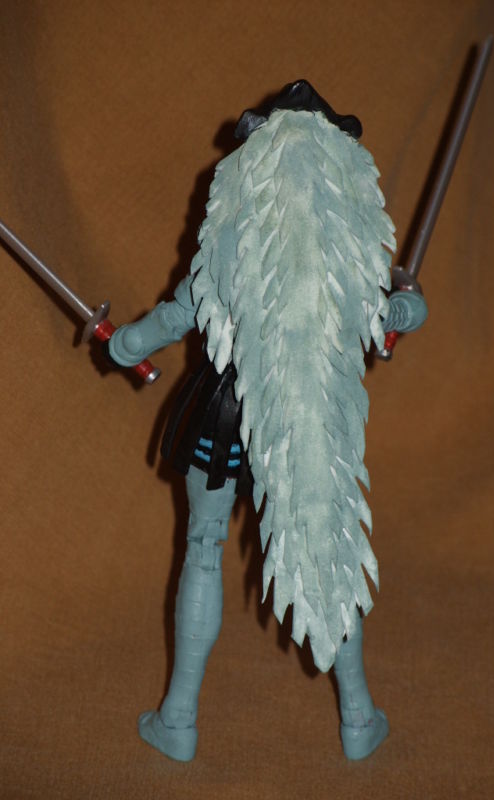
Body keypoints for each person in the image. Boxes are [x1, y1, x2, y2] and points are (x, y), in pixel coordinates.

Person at [108, 80, 428, 762]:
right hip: (300, 425)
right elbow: (396, 313)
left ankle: (179, 720)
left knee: (205, 545)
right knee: (326, 537)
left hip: (224, 417)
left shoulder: (239, 235)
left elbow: (177, 314)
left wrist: (126, 344)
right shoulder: (345, 249)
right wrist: (404, 305)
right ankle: (358, 718)